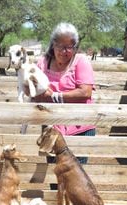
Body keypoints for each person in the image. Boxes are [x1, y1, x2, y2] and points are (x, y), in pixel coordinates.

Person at [33, 22, 96, 164]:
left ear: (75, 47)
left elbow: (86, 92)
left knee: (76, 177)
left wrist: (55, 96)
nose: (64, 51)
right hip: (51, 128)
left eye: (69, 47)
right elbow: (34, 89)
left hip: (79, 128)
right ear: (53, 44)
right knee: (54, 173)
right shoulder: (43, 62)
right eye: (60, 46)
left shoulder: (81, 61)